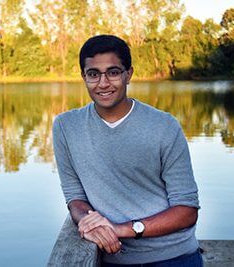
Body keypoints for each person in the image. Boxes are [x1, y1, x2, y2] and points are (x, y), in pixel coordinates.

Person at [52, 35, 202, 266]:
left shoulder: (164, 126)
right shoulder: (65, 127)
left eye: (113, 72)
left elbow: (187, 210)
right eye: (93, 74)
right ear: (84, 77)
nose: (103, 83)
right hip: (112, 259)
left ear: (128, 74)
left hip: (173, 256)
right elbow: (75, 197)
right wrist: (87, 222)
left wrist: (122, 229)